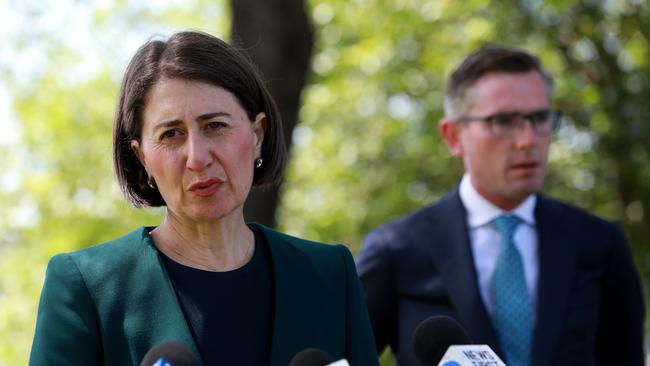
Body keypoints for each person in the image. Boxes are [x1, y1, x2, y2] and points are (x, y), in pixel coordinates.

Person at [30, 31, 378, 366]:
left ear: (257, 135)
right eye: (171, 134)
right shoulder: (87, 286)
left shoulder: (329, 275)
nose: (197, 157)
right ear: (142, 159)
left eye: (215, 126)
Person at [356, 46, 645, 366]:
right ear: (454, 136)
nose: (527, 140)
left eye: (540, 118)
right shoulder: (396, 249)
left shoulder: (600, 243)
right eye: (504, 120)